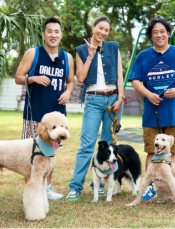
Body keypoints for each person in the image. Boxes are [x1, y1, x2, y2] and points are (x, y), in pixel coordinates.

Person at [128, 17, 175, 200]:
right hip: (152, 114)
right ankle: (150, 190)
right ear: (151, 36)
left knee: (171, 153)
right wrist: (148, 94)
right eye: (155, 32)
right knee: (151, 151)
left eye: (162, 31)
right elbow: (135, 81)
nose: (159, 35)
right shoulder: (143, 56)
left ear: (168, 34)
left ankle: (167, 191)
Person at [15, 17, 75, 200]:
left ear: (61, 35)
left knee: (51, 152)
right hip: (35, 112)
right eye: (50, 31)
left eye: (57, 31)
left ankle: (47, 188)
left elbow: (71, 81)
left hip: (57, 117)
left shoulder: (67, 57)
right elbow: (18, 77)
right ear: (44, 34)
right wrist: (33, 78)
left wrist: (68, 92)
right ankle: (31, 189)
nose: (53, 35)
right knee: (31, 153)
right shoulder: (33, 53)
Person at [67, 16, 124, 200]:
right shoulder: (81, 50)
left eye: (106, 30)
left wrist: (121, 98)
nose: (103, 32)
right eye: (100, 28)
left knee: (108, 146)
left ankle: (99, 184)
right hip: (93, 100)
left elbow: (120, 74)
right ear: (93, 27)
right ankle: (75, 187)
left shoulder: (114, 47)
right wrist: (90, 56)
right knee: (87, 145)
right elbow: (81, 78)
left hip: (113, 100)